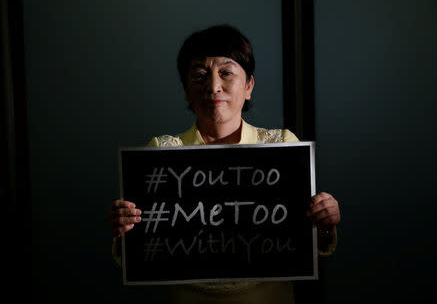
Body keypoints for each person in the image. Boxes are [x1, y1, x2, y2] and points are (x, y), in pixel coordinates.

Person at [107, 24, 341, 304]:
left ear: (249, 86)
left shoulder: (281, 146)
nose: (213, 86)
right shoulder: (162, 152)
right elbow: (141, 252)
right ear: (186, 89)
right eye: (199, 75)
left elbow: (310, 243)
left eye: (226, 72)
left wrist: (325, 221)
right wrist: (125, 229)